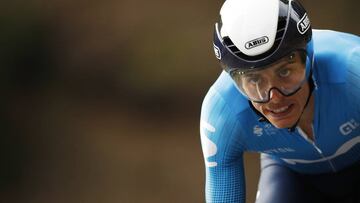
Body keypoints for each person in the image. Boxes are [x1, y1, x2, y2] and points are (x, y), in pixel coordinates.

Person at [199, 0, 360, 202]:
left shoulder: (354, 68)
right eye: (254, 79)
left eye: (284, 71)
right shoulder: (222, 110)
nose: (274, 97)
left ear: (310, 57)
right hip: (292, 178)